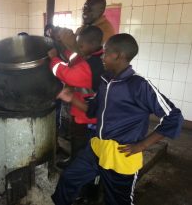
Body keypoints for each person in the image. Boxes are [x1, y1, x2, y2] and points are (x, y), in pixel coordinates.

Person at [52, 33, 184, 205]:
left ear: (119, 55)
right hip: (97, 148)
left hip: (122, 155)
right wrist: (71, 98)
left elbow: (173, 117)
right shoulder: (106, 80)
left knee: (117, 201)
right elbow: (93, 111)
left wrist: (142, 145)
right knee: (69, 179)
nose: (102, 57)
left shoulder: (139, 85)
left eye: (106, 53)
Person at [48, 26, 105, 167]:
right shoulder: (93, 55)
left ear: (92, 44)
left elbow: (65, 74)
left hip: (87, 114)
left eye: (80, 45)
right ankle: (74, 160)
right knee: (76, 136)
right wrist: (63, 48)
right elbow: (75, 57)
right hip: (81, 107)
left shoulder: (91, 66)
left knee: (80, 139)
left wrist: (53, 59)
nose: (78, 48)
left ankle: (77, 166)